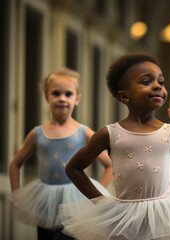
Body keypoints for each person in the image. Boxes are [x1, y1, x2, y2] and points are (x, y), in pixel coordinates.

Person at [59, 53, 170, 240]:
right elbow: (74, 168)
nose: (157, 86)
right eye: (146, 81)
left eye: (161, 82)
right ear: (124, 96)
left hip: (163, 216)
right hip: (124, 218)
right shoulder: (109, 134)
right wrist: (101, 203)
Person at [9, 68, 112, 240]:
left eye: (68, 94)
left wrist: (96, 197)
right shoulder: (37, 134)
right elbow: (15, 164)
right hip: (45, 200)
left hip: (75, 200)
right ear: (46, 97)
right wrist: (15, 194)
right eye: (56, 93)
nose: (62, 98)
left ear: (77, 99)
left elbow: (109, 165)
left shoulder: (84, 132)